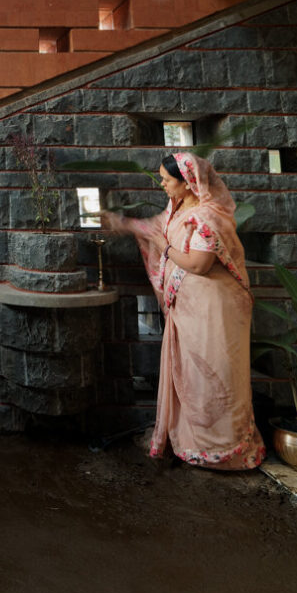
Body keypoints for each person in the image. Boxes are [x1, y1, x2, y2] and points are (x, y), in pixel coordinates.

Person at [102, 152, 265, 470]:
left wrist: (165, 249)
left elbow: (199, 265)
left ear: (188, 182)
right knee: (191, 376)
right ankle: (193, 444)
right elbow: (154, 227)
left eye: (166, 179)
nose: (161, 184)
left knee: (215, 373)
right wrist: (122, 223)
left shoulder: (206, 217)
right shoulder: (176, 210)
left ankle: (225, 450)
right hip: (188, 310)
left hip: (213, 311)